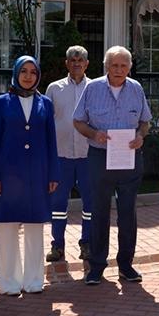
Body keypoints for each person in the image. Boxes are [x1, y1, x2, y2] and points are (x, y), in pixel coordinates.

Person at [73, 46, 152, 285]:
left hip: (129, 158)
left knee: (128, 213)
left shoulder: (136, 89)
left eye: (123, 65)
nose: (119, 70)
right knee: (99, 212)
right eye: (114, 65)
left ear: (129, 67)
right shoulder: (92, 88)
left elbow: (145, 122)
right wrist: (94, 133)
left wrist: (141, 136)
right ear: (107, 66)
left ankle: (126, 266)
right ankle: (97, 266)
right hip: (100, 157)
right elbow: (78, 121)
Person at [0, 56, 59, 296]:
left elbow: (51, 141)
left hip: (38, 174)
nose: (28, 76)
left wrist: (53, 173)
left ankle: (34, 281)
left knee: (35, 228)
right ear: (16, 73)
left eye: (33, 72)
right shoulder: (2, 103)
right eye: (24, 71)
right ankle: (9, 282)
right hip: (8, 175)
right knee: (7, 229)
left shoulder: (45, 103)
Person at [45, 46, 92, 262]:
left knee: (90, 204)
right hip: (60, 156)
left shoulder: (95, 88)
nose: (76, 64)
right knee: (57, 204)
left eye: (80, 60)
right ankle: (58, 246)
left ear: (86, 64)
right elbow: (46, 121)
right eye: (72, 60)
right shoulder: (54, 89)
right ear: (66, 63)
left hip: (88, 155)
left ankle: (87, 244)